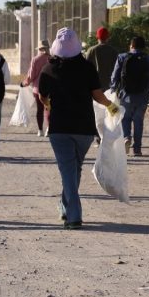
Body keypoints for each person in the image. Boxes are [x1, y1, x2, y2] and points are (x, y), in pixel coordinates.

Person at [38, 28, 117, 229]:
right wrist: (110, 105)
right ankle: (65, 206)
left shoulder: (48, 69)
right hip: (84, 129)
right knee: (74, 169)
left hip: (60, 128)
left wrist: (48, 105)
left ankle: (73, 216)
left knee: (68, 171)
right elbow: (97, 95)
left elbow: (42, 96)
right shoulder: (87, 68)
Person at [109, 36, 149, 157]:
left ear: (131, 46)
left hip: (125, 95)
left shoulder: (122, 57)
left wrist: (112, 90)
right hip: (142, 96)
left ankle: (126, 137)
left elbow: (114, 77)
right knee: (138, 122)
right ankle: (137, 149)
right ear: (143, 47)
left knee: (125, 119)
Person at [20, 39, 51, 137]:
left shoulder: (35, 59)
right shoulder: (52, 59)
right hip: (50, 88)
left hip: (37, 89)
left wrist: (24, 83)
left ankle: (40, 130)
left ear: (39, 48)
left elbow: (31, 76)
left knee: (40, 109)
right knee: (48, 108)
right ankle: (48, 129)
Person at [85, 26, 119, 91]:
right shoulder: (113, 51)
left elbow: (86, 68)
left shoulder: (91, 50)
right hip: (109, 85)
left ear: (97, 37)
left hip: (94, 85)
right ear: (108, 38)